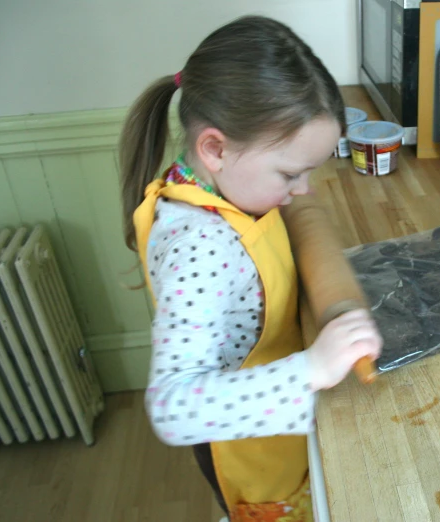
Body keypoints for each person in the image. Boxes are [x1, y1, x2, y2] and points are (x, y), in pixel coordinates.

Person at [117, 15, 382, 522]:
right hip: (251, 457)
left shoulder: (218, 184)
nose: (303, 190)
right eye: (290, 173)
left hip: (275, 428)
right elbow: (173, 408)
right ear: (214, 149)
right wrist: (315, 367)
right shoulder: (198, 245)